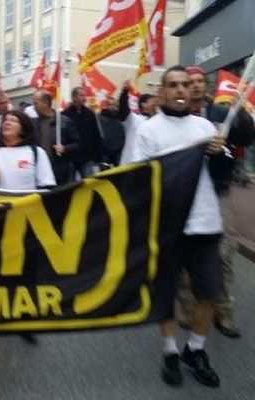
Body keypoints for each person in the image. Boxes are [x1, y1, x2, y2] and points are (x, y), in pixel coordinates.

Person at [131, 65, 233, 388]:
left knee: (210, 292)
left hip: (205, 225)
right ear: (162, 91)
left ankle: (196, 349)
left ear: (192, 90)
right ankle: (171, 350)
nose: (179, 90)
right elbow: (139, 178)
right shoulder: (148, 131)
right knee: (165, 294)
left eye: (185, 85)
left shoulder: (206, 127)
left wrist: (219, 156)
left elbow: (222, 176)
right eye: (172, 85)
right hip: (167, 228)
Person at [174, 65, 255, 338]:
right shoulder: (177, 115)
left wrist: (241, 112)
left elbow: (245, 137)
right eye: (190, 81)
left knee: (225, 254)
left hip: (217, 193)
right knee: (184, 259)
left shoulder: (220, 112)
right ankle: (186, 309)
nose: (196, 86)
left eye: (200, 81)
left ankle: (224, 312)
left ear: (205, 86)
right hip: (185, 197)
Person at [0, 109, 56, 190]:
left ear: (23, 128)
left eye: (13, 120)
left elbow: (46, 184)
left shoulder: (37, 152)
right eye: (5, 120)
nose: (7, 123)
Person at [31, 89, 80, 185]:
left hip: (59, 170)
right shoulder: (33, 123)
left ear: (45, 103)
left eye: (36, 103)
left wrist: (65, 148)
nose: (33, 107)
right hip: (39, 170)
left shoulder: (64, 121)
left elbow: (77, 144)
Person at [62, 87, 102, 177]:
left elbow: (96, 134)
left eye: (85, 95)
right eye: (81, 95)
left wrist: (97, 156)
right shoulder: (65, 115)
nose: (84, 98)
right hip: (70, 157)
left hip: (86, 157)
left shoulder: (90, 114)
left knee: (89, 183)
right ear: (74, 97)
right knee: (69, 185)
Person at [118, 83, 158, 165]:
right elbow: (123, 108)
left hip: (149, 165)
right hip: (129, 163)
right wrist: (125, 93)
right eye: (152, 101)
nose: (156, 103)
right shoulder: (133, 119)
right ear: (143, 104)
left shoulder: (158, 122)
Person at [98, 95, 126, 167]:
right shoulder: (98, 119)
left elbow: (121, 136)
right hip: (103, 155)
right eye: (113, 105)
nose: (115, 108)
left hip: (117, 155)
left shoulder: (119, 120)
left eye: (117, 106)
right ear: (107, 106)